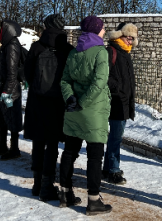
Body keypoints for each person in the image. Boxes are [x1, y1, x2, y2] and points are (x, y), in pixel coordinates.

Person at [58, 15, 112, 215]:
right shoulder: (100, 52)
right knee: (95, 156)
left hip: (73, 110)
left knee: (70, 152)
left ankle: (65, 193)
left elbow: (64, 80)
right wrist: (82, 102)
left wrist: (70, 99)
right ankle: (93, 200)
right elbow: (99, 83)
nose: (104, 31)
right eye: (103, 28)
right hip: (93, 111)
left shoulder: (74, 52)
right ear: (97, 30)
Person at [24, 14, 73, 202]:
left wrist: (37, 88)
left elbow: (27, 73)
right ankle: (47, 184)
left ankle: (37, 183)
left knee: (38, 141)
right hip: (57, 103)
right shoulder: (67, 49)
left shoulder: (36, 47)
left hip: (38, 101)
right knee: (52, 144)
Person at [102, 22, 138, 185]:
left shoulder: (126, 53)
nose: (130, 41)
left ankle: (108, 168)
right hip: (115, 101)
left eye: (132, 39)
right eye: (127, 37)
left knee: (115, 138)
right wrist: (118, 87)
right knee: (115, 138)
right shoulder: (111, 51)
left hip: (123, 102)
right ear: (119, 36)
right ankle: (113, 170)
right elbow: (103, 75)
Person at [0, 20, 24, 160]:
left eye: (1, 30)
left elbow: (12, 72)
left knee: (12, 118)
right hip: (3, 88)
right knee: (3, 117)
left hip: (10, 91)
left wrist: (6, 91)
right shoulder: (6, 45)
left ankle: (14, 149)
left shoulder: (12, 46)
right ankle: (2, 145)